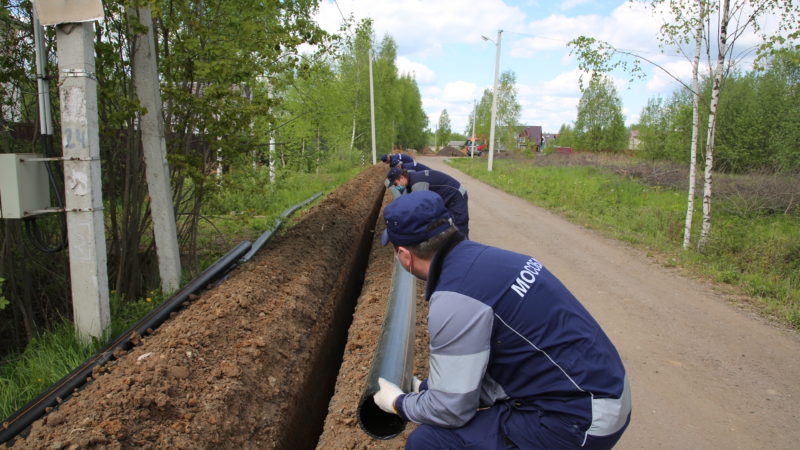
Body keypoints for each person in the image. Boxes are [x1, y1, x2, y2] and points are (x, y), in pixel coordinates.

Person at [373, 191, 631, 449]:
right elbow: (505, 357)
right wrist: (429, 389)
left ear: (405, 255)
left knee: (429, 442)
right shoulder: (497, 259)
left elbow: (450, 411)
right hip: (606, 389)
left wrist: (398, 403)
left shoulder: (455, 297)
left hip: (580, 418)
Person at [386, 167, 468, 239]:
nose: (396, 187)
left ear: (402, 177)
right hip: (446, 197)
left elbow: (421, 208)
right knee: (447, 223)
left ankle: (465, 249)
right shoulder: (410, 179)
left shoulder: (417, 184)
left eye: (396, 184)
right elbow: (405, 200)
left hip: (456, 195)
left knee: (459, 224)